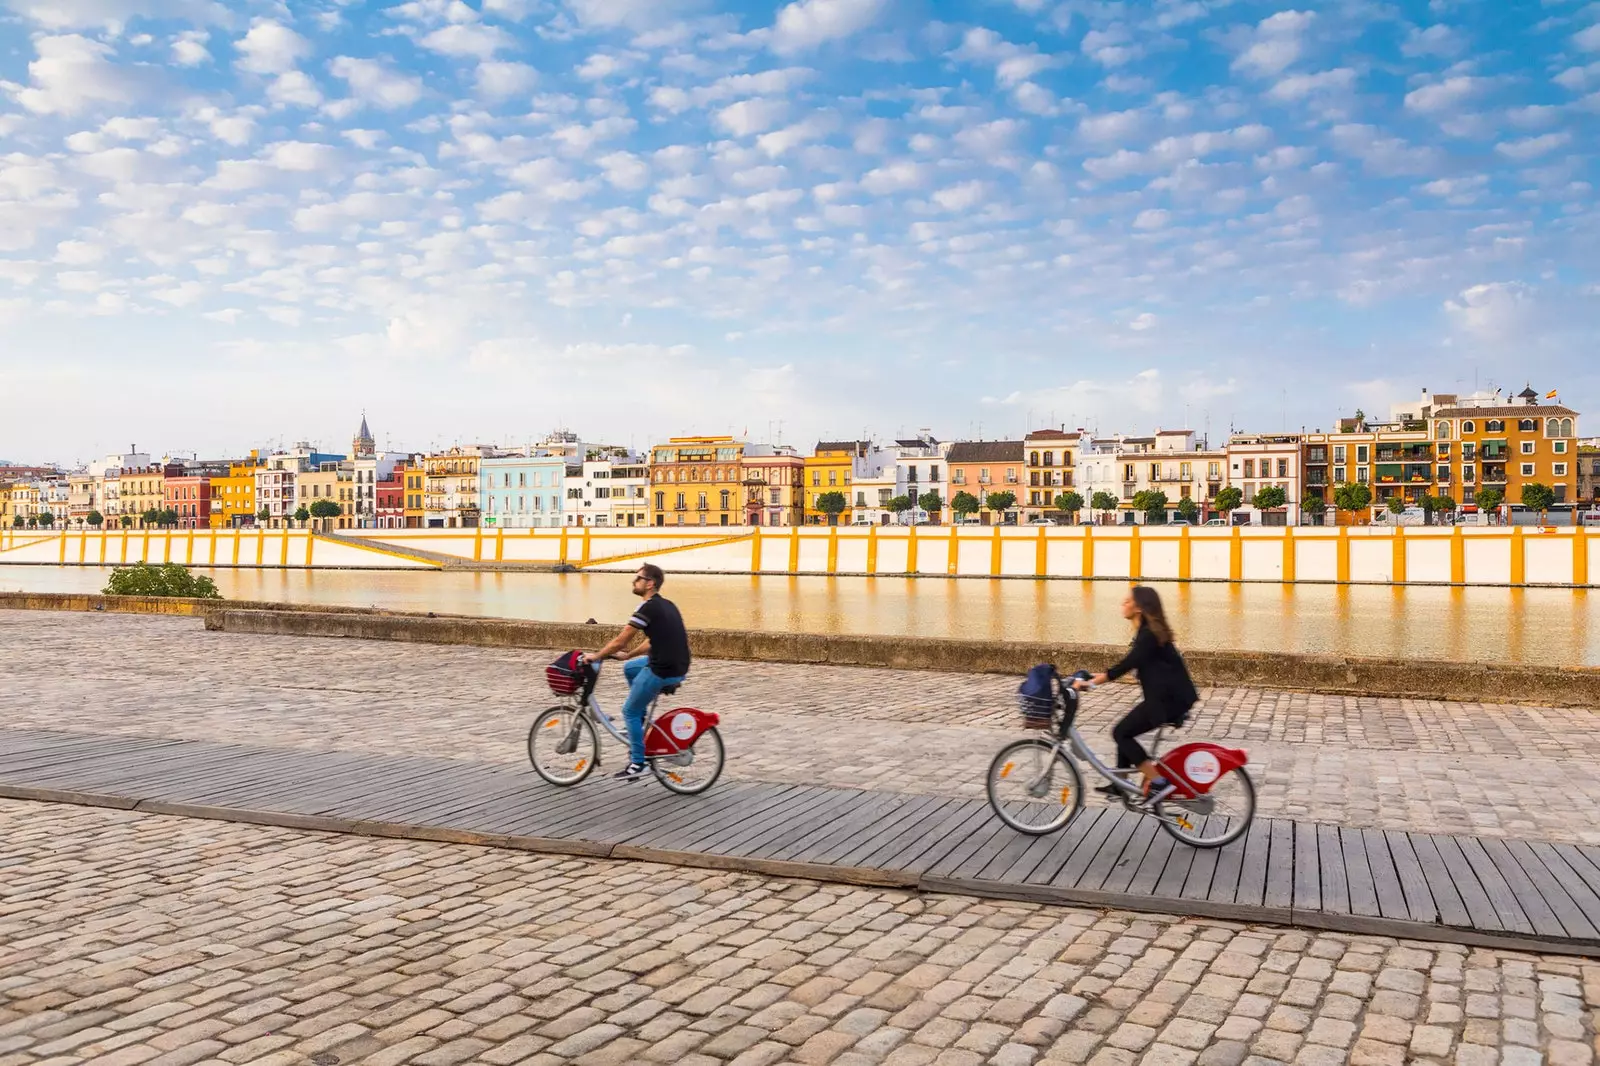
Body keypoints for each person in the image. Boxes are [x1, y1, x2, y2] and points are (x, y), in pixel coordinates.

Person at [1074, 585, 1199, 803]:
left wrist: (1093, 684)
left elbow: (1126, 665)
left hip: (1168, 701)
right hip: (1168, 698)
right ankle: (1120, 784)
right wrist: (1092, 678)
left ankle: (1159, 782)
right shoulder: (1147, 632)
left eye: (1128, 601)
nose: (1123, 604)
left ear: (1139, 607)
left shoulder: (1148, 635)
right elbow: (1129, 665)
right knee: (1125, 731)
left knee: (1121, 733)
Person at [585, 563, 691, 781]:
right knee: (630, 668)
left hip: (662, 668)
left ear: (650, 583)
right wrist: (629, 655)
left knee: (629, 711)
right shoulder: (665, 605)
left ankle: (637, 762)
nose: (634, 581)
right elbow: (652, 641)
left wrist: (596, 656)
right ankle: (640, 725)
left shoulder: (647, 608)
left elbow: (620, 640)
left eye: (638, 578)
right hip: (677, 663)